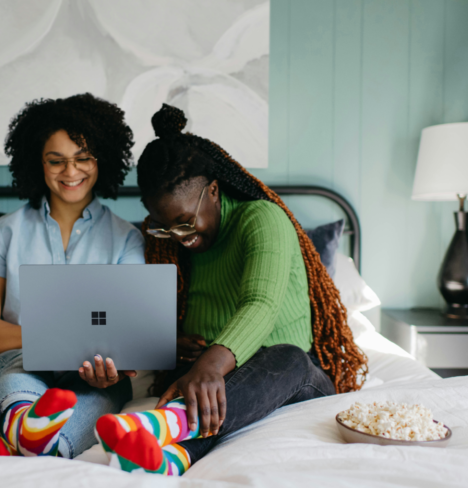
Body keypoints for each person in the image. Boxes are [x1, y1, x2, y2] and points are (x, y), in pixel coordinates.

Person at [94, 104, 368, 475]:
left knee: (286, 356)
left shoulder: (262, 219)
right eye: (164, 227)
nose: (180, 238)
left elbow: (260, 304)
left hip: (293, 376)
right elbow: (155, 316)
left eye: (185, 223)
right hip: (218, 377)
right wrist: (170, 344)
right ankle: (172, 459)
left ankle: (162, 426)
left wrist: (210, 364)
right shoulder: (171, 244)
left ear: (214, 190)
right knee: (198, 381)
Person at [0, 93, 144, 459]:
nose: (71, 172)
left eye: (83, 158)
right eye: (56, 161)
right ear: (38, 163)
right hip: (13, 358)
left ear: (101, 160)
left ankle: (37, 444)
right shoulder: (5, 231)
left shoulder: (127, 238)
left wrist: (110, 366)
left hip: (89, 371)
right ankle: (29, 431)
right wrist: (48, 342)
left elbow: (130, 333)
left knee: (105, 392)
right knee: (20, 366)